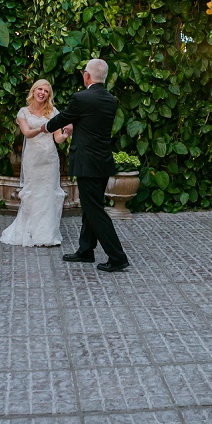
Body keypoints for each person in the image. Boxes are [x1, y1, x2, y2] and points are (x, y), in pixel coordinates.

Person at [43, 58, 130, 272]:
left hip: (87, 163)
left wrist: (46, 125)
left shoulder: (81, 98)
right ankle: (86, 250)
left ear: (87, 76)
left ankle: (117, 257)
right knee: (91, 208)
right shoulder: (111, 99)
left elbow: (63, 118)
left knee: (94, 210)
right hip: (102, 162)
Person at [0, 79, 72, 247]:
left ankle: (47, 235)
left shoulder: (53, 111)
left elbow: (58, 139)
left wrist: (67, 133)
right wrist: (42, 128)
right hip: (33, 160)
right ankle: (29, 231)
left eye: (46, 91)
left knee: (49, 194)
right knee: (33, 193)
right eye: (40, 89)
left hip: (49, 160)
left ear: (49, 95)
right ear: (33, 91)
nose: (42, 93)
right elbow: (26, 133)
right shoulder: (23, 112)